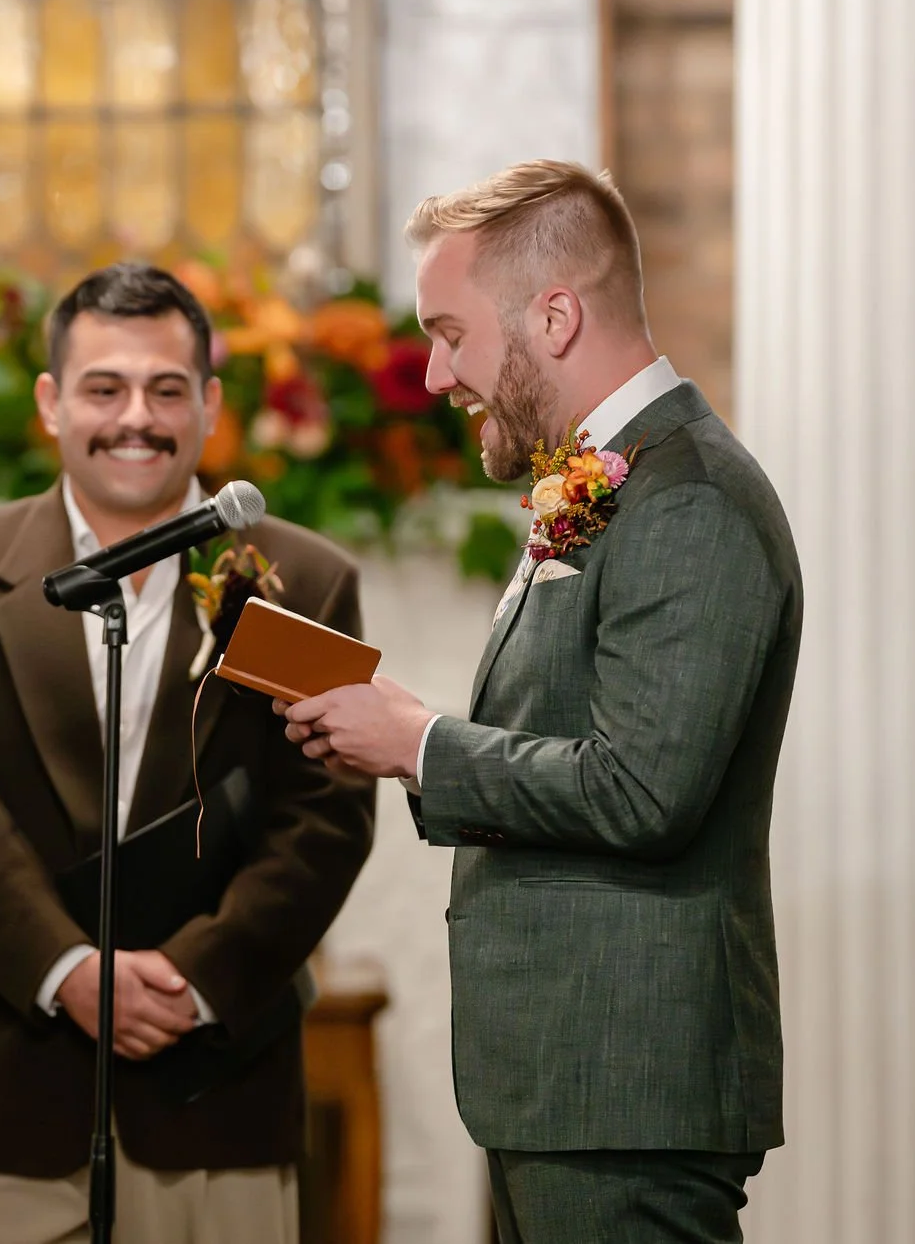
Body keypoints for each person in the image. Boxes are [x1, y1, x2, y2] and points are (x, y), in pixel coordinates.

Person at [279, 161, 800, 1243]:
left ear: (553, 316)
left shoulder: (687, 498)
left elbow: (643, 789)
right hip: (568, 1083)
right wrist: (398, 731)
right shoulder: (619, 476)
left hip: (623, 1084)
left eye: (449, 332)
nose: (431, 375)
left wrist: (423, 745)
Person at [0, 261, 375, 1242]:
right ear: (51, 403)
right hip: (4, 1084)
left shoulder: (293, 582)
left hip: (212, 1089)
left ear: (210, 403)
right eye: (103, 389)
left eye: (165, 389)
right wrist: (65, 967)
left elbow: (321, 813)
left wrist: (190, 983)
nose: (134, 418)